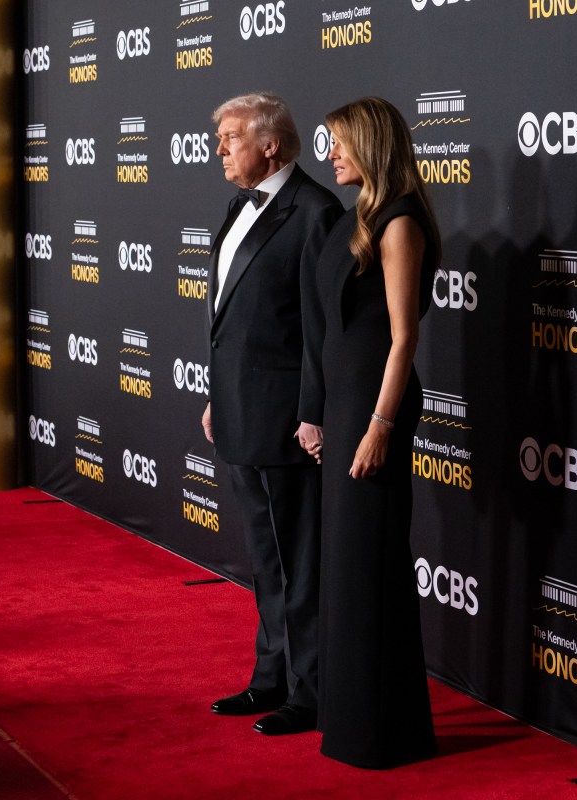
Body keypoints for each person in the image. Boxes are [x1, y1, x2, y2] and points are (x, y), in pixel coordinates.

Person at [300, 96, 440, 768]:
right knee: (348, 569)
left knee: (371, 567)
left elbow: (403, 335)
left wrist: (379, 426)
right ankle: (357, 720)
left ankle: (385, 733)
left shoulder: (400, 222)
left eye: (340, 143)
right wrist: (325, 414)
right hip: (347, 407)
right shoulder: (358, 219)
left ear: (372, 145)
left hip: (375, 411)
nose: (330, 155)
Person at [201, 93, 343, 736]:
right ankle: (269, 680)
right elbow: (234, 317)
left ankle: (311, 694)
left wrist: (313, 412)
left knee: (301, 564)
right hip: (239, 412)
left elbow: (321, 329)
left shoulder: (314, 210)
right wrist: (216, 393)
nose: (220, 149)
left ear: (271, 145)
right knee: (266, 560)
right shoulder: (238, 204)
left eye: (230, 138)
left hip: (289, 422)